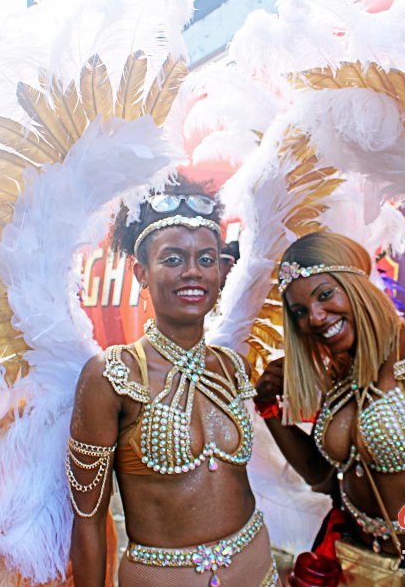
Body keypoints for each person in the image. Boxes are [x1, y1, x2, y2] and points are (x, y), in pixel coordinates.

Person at [254, 232, 405, 586]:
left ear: (358, 286)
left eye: (325, 295)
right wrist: (269, 410)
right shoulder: (340, 374)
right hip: (366, 574)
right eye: (300, 312)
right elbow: (322, 479)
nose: (316, 317)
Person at [68, 179, 278, 586]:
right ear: (141, 271)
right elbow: (88, 522)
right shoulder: (112, 376)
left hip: (259, 570)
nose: (193, 272)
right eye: (174, 259)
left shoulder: (233, 367)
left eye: (206, 258)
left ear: (223, 270)